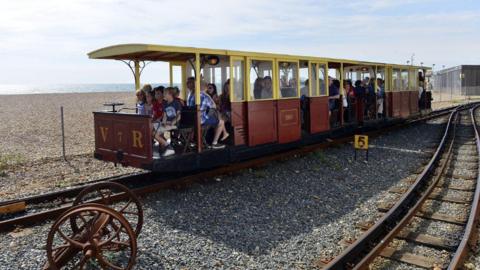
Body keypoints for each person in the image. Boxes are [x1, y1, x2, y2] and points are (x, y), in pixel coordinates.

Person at [200, 83, 228, 148]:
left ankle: (224, 133)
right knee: (220, 120)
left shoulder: (214, 96)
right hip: (203, 118)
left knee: (219, 117)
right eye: (208, 88)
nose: (209, 89)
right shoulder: (206, 96)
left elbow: (217, 106)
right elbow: (213, 107)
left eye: (210, 88)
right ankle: (215, 142)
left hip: (200, 117)